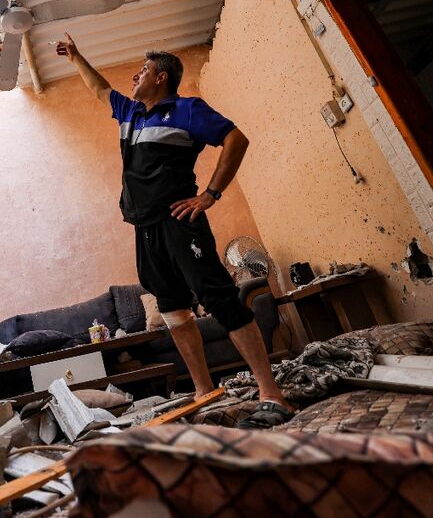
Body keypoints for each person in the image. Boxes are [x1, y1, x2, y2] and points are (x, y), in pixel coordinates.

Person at [56, 33, 295, 429]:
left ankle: (272, 394)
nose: (136, 76)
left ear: (162, 77)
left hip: (180, 222)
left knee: (220, 299)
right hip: (144, 229)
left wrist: (211, 195)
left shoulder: (187, 110)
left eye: (143, 71)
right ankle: (204, 391)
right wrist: (77, 56)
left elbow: (236, 139)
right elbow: (99, 88)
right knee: (171, 309)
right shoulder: (131, 112)